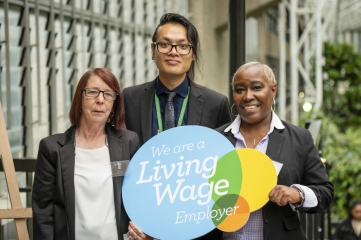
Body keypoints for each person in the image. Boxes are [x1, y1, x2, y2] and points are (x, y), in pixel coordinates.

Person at [123, 13, 231, 240]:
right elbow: (122, 162)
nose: (174, 51)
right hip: (144, 226)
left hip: (197, 227)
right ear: (153, 50)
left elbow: (224, 168)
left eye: (183, 46)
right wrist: (133, 222)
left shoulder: (216, 103)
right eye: (165, 44)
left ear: (192, 54)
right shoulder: (130, 99)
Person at [215, 62, 334, 240]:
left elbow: (325, 193)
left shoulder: (299, 139)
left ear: (273, 90)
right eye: (240, 90)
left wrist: (297, 194)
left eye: (256, 87)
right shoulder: (216, 139)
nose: (247, 96)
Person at [32, 68, 148, 240]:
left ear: (114, 103)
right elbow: (43, 213)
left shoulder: (129, 143)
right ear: (80, 98)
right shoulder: (52, 149)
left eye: (108, 94)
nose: (100, 100)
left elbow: (139, 198)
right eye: (93, 92)